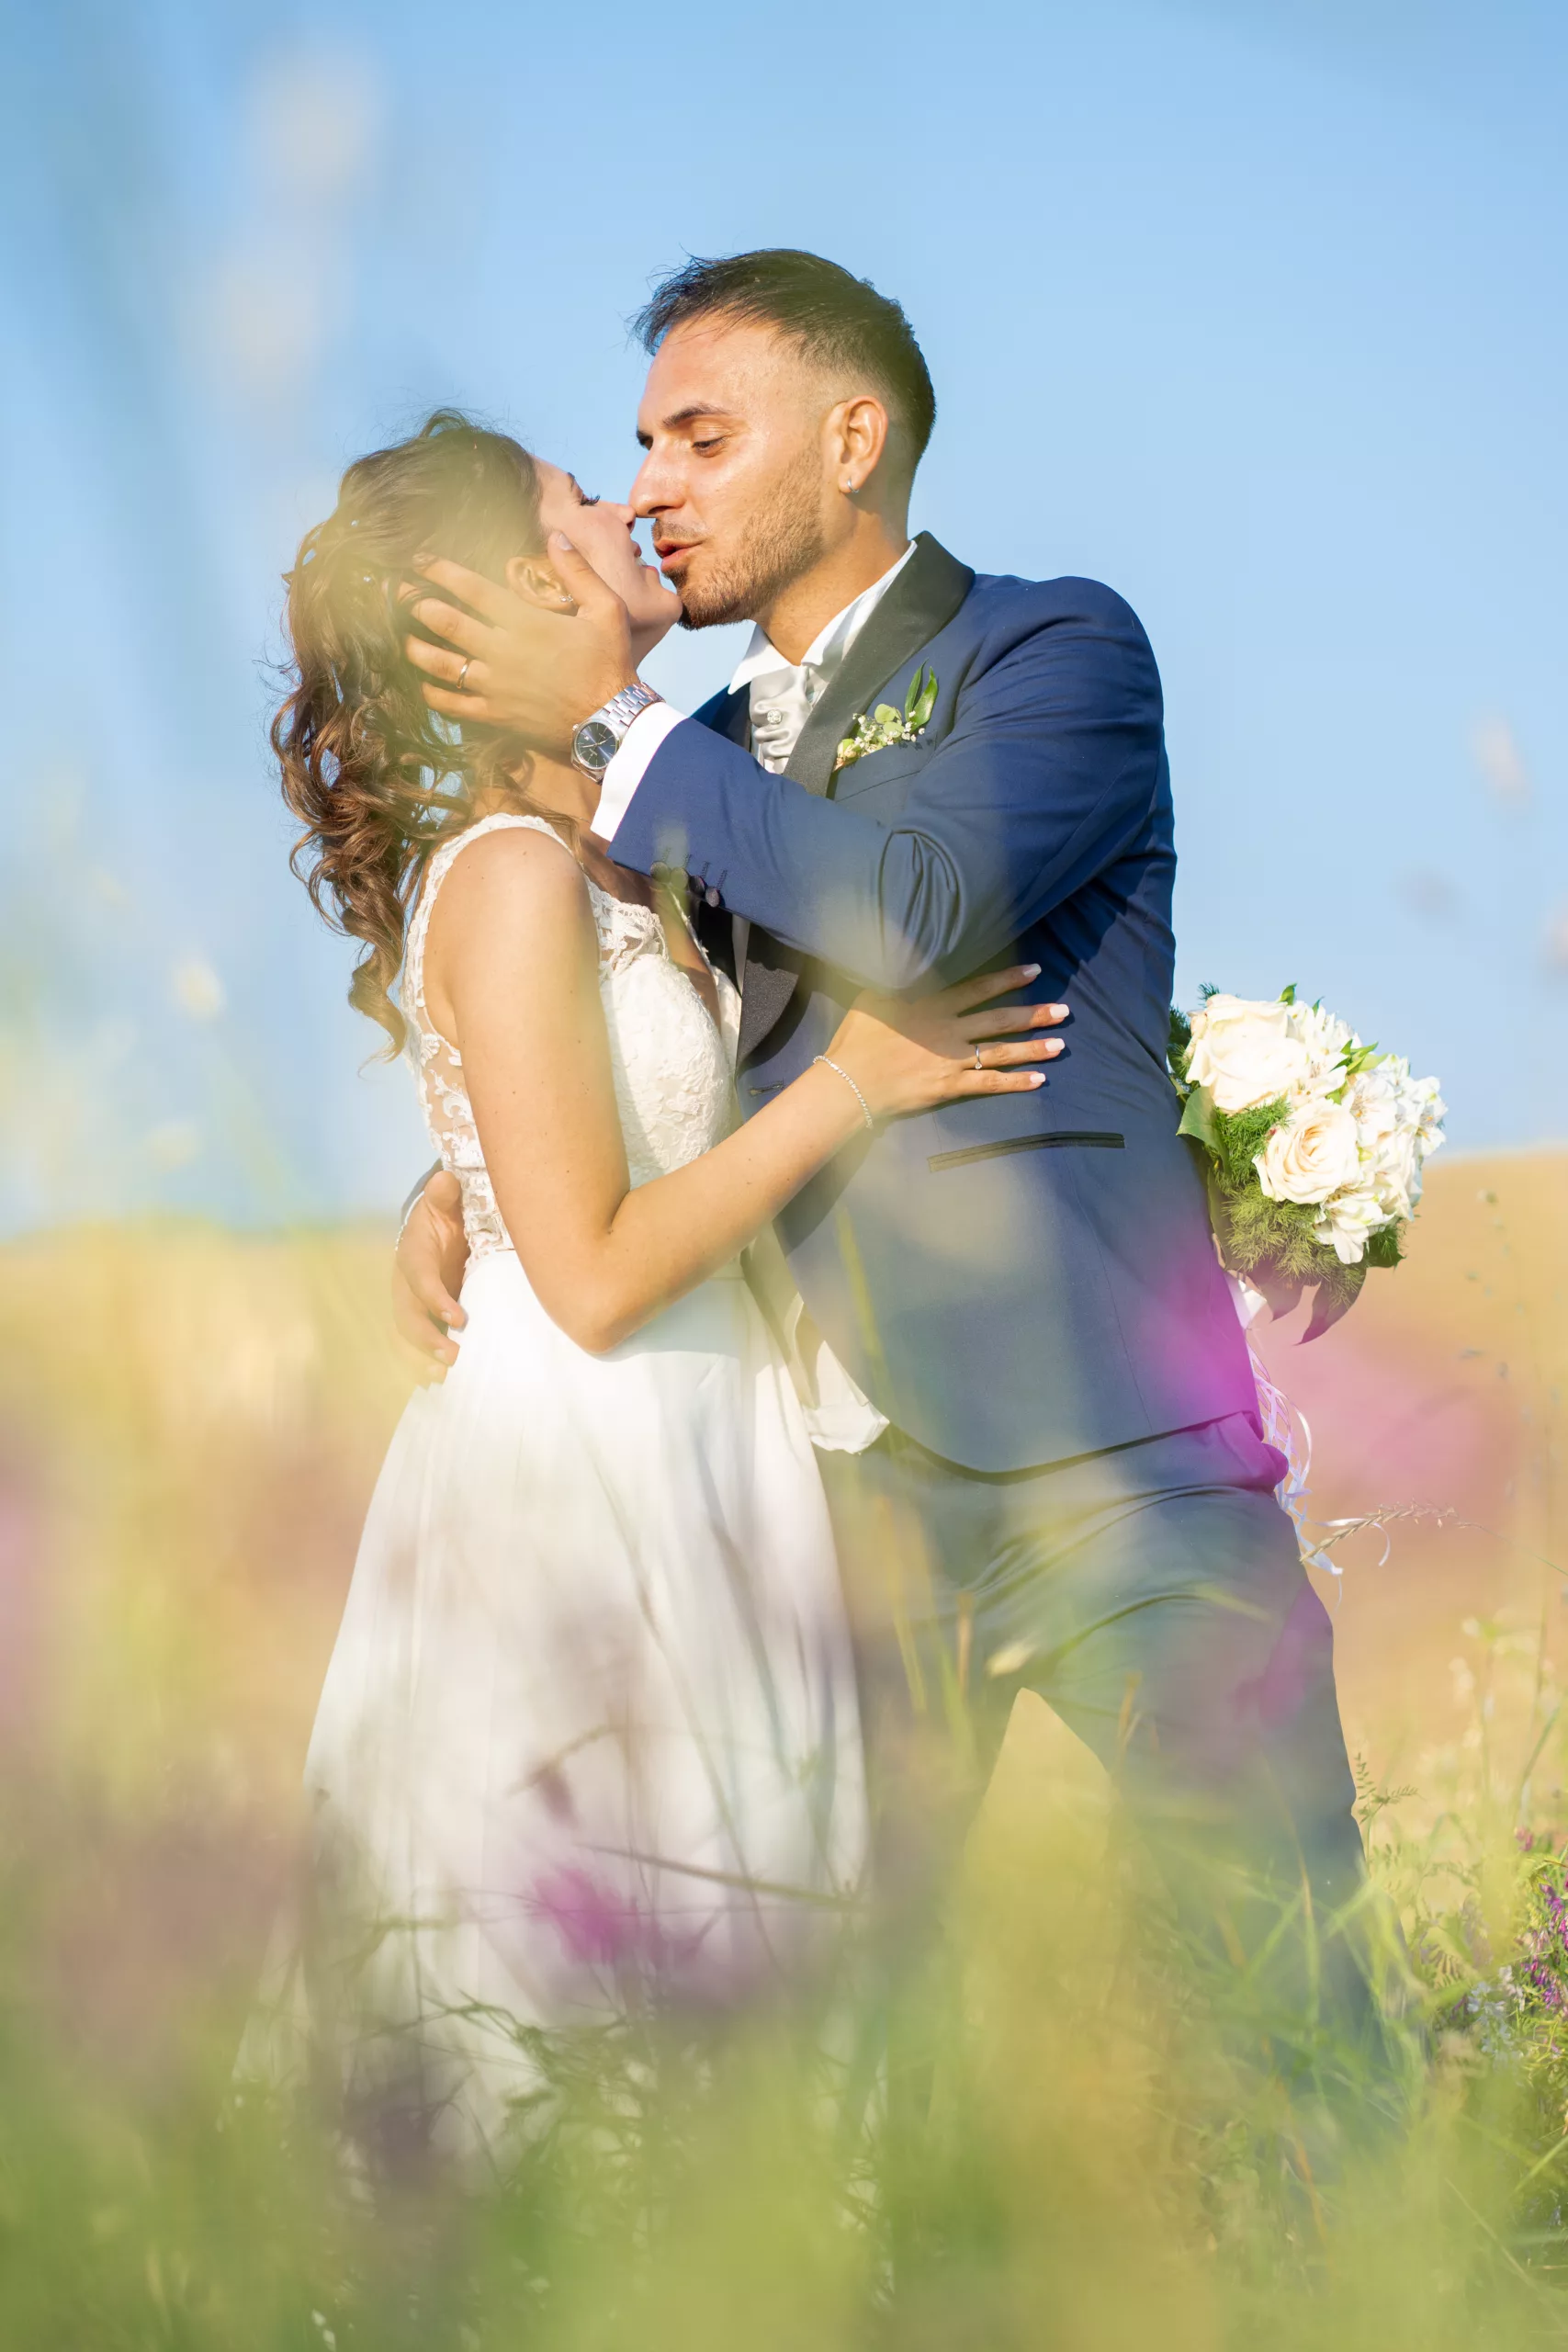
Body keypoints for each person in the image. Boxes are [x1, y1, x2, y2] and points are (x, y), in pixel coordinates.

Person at [395, 253, 1383, 2073]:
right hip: (827, 1530)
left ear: (851, 439)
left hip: (1112, 1478)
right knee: (854, 2085)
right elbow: (608, 1027)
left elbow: (919, 913)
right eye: (634, 447)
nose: (649, 490)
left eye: (700, 435)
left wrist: (604, 723)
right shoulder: (683, 757)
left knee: (1286, 2010)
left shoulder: (1051, 649)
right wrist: (467, 1175)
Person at [247, 409, 1063, 2168]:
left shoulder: (626, 831)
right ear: (515, 588)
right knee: (598, 1985)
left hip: (717, 1445)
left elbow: (593, 1119)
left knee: (736, 1968)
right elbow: (600, 1274)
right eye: (578, 494)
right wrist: (862, 1077)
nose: (625, 505)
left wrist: (450, 1183)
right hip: (601, 1467)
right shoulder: (520, 875)